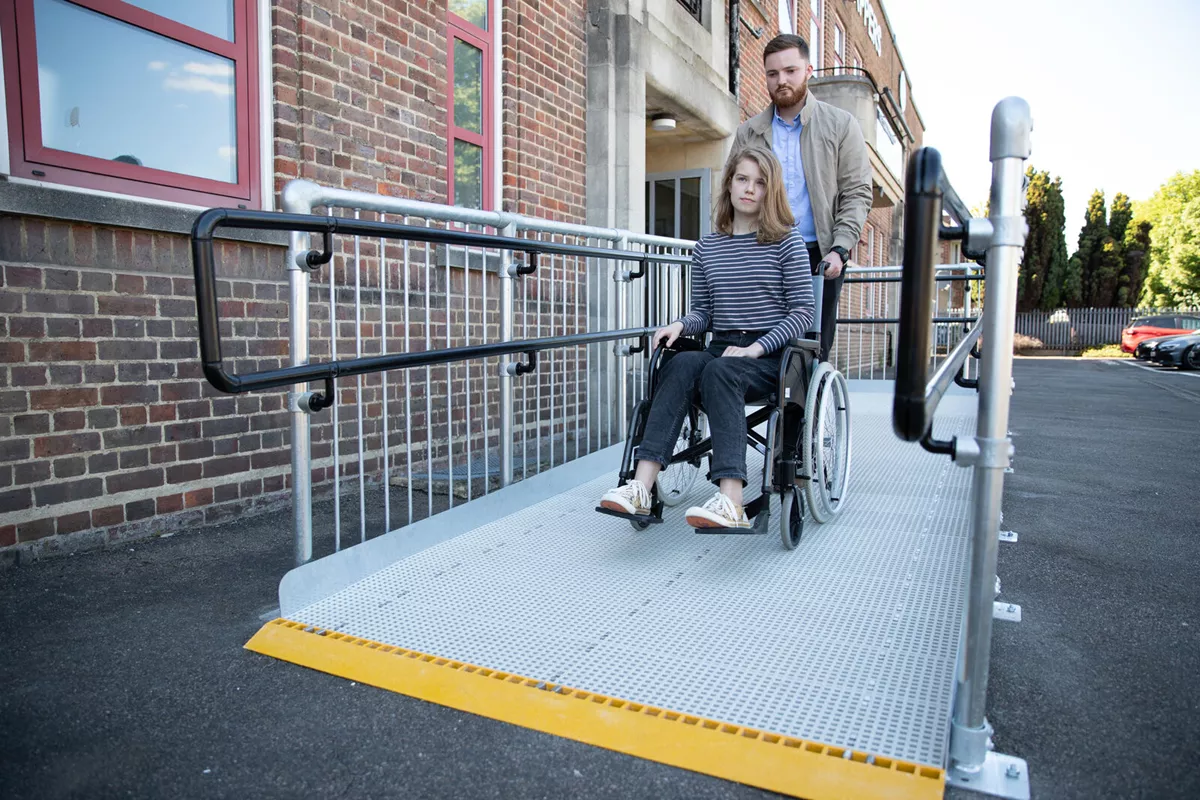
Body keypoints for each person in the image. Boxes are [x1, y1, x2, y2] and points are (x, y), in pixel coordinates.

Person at [599, 146, 815, 529]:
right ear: (729, 184)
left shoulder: (787, 243)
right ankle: (641, 487)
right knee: (681, 362)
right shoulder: (708, 248)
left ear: (771, 191)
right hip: (722, 348)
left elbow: (802, 312)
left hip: (771, 357)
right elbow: (704, 312)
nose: (749, 189)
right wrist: (681, 325)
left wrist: (756, 348)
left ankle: (732, 502)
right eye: (742, 179)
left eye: (760, 182)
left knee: (720, 371)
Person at [724, 33, 872, 362]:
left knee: (810, 351)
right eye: (772, 73)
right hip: (762, 251)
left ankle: (805, 397)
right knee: (758, 345)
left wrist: (840, 248)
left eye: (790, 71)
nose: (781, 80)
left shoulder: (841, 125)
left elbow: (857, 192)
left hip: (818, 255)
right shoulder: (749, 132)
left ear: (808, 71)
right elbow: (730, 193)